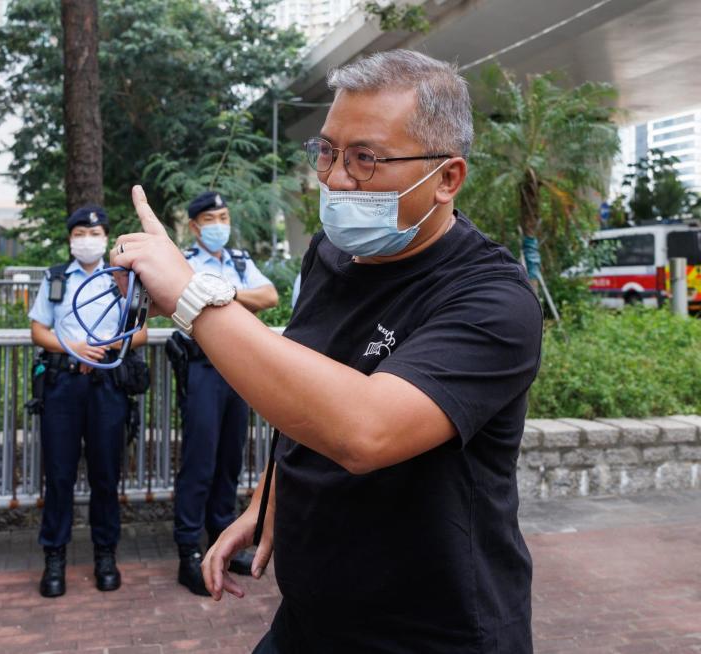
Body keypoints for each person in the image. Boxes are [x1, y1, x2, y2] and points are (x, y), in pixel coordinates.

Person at [111, 49, 543, 652]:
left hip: (433, 632)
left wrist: (192, 297)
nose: (338, 178)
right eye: (328, 152)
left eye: (366, 158)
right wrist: (266, 504)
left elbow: (364, 430)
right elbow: (306, 389)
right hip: (311, 616)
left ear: (448, 177)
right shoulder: (330, 254)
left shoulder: (492, 299)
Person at [28, 205, 148, 597]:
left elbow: (142, 331)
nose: (87, 239)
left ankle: (105, 555)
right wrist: (74, 346)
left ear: (106, 239)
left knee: (105, 475)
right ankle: (55, 558)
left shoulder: (123, 279)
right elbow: (37, 330)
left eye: (95, 233)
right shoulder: (56, 278)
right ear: (70, 239)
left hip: (107, 385)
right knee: (59, 476)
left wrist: (108, 344)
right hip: (63, 385)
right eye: (80, 232)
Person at [168, 191, 278, 596]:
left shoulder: (240, 262)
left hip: (239, 371)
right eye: (211, 219)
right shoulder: (183, 263)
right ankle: (187, 552)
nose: (219, 224)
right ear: (195, 226)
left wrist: (222, 295)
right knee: (200, 460)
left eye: (224, 216)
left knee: (230, 457)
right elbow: (181, 300)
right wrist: (235, 299)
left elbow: (269, 297)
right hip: (201, 369)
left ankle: (222, 538)